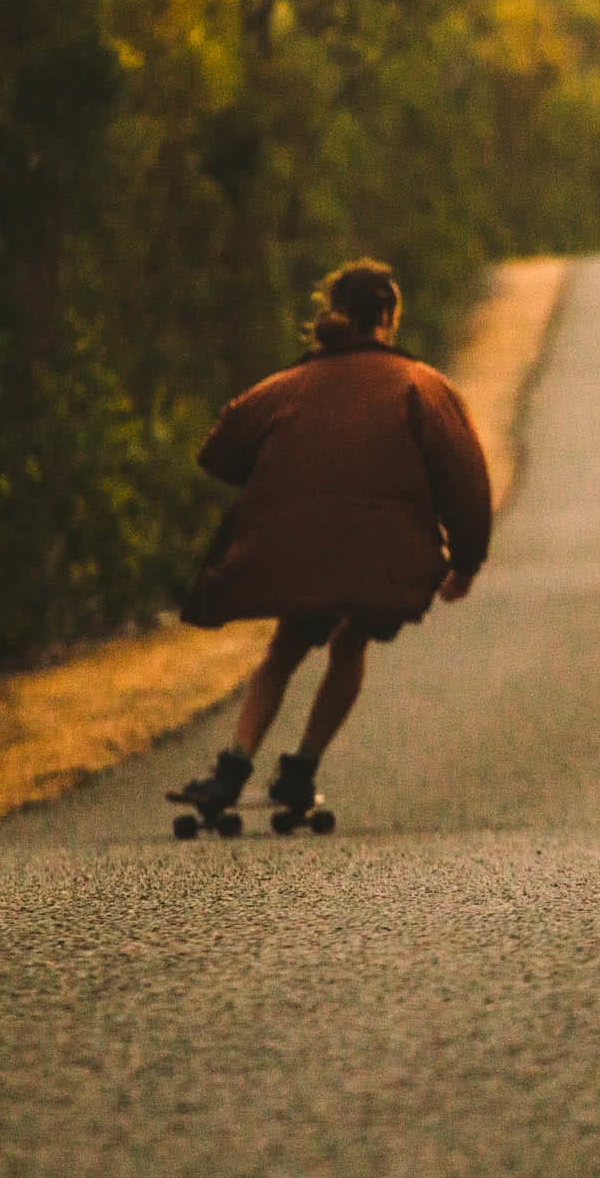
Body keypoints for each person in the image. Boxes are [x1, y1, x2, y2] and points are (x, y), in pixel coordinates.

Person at [168, 258, 494, 820]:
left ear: (334, 312)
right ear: (389, 316)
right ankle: (300, 771)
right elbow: (464, 477)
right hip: (382, 561)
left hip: (300, 552)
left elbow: (219, 449)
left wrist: (282, 474)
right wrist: (465, 561)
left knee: (285, 649)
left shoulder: (289, 386)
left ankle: (231, 770)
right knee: (351, 642)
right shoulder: (421, 386)